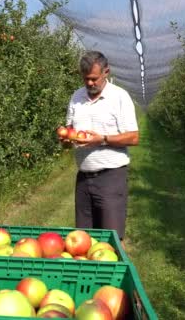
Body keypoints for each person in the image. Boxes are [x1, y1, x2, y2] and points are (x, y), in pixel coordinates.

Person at [60, 50, 139, 245]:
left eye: (94, 79)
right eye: (85, 79)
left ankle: (112, 274)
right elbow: (69, 129)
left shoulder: (120, 97)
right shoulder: (76, 97)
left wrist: (102, 139)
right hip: (84, 177)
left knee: (111, 240)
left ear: (106, 72)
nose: (89, 83)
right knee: (83, 240)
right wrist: (65, 137)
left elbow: (134, 137)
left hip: (111, 176)